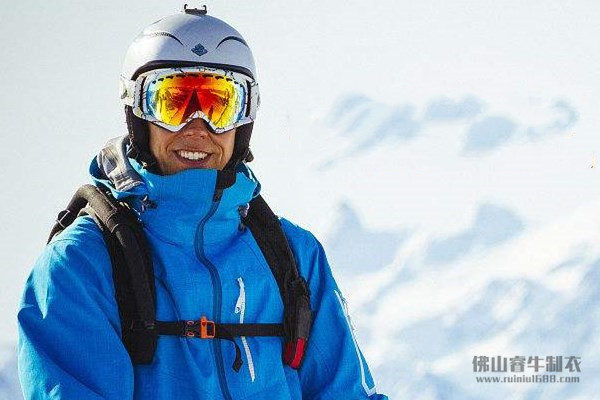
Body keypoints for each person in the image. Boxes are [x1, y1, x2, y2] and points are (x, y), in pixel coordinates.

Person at [17, 6, 387, 399]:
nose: (197, 127)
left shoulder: (295, 257)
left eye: (218, 105)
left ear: (244, 120)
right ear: (137, 113)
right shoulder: (81, 265)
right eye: (173, 103)